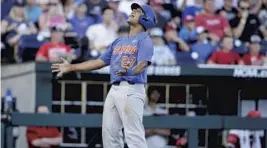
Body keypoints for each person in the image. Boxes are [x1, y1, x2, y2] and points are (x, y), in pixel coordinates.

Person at [52, 3, 157, 148]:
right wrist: (72, 67)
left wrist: (129, 72)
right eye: (133, 9)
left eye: (138, 11)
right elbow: (99, 62)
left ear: (145, 19)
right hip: (114, 89)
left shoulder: (145, 39)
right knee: (109, 134)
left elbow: (142, 64)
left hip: (132, 89)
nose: (132, 12)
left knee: (134, 136)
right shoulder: (118, 41)